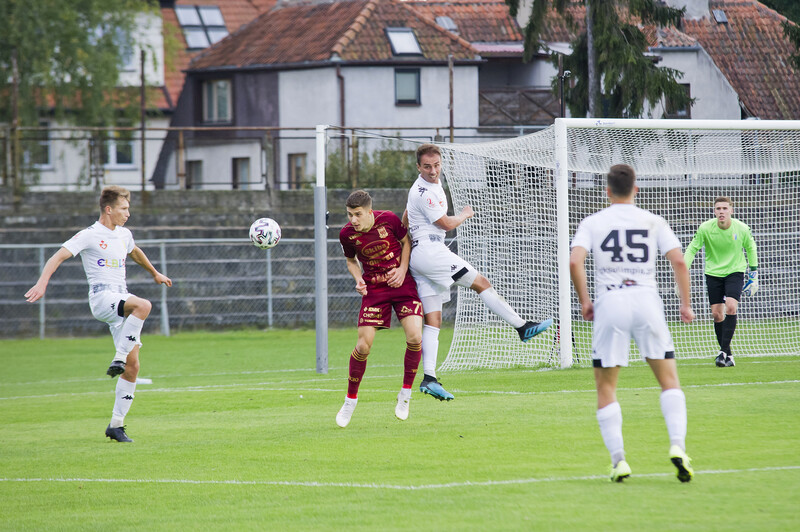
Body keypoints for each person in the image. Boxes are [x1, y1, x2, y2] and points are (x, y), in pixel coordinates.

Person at [569, 164, 696, 483]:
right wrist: (685, 303)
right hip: (647, 301)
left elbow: (575, 260)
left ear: (607, 191)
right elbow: (679, 260)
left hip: (610, 302)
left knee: (606, 386)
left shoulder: (593, 222)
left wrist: (585, 301)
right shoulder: (652, 220)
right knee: (669, 381)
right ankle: (678, 446)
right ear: (635, 189)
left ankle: (619, 461)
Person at [404, 143, 552, 401]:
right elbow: (447, 224)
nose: (432, 170)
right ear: (418, 167)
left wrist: (403, 233)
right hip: (430, 252)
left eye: (436, 165)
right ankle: (522, 327)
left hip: (422, 255)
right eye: (427, 166)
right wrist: (464, 214)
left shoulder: (424, 186)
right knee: (481, 282)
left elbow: (406, 215)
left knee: (434, 321)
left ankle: (429, 378)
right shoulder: (424, 192)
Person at [25, 186, 172, 443]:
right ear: (108, 209)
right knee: (144, 305)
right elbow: (57, 257)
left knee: (133, 366)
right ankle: (117, 358)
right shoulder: (90, 235)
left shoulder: (124, 234)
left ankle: (116, 425)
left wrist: (154, 273)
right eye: (123, 209)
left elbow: (135, 251)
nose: (128, 213)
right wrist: (41, 283)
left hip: (120, 299)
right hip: (103, 298)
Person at [336, 190, 424, 428]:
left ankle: (405, 395)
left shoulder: (389, 219)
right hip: (375, 290)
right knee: (363, 345)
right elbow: (351, 261)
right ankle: (350, 400)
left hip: (401, 284)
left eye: (358, 214)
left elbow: (407, 242)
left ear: (369, 211)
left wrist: (403, 269)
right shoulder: (346, 234)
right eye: (350, 215)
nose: (353, 220)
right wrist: (358, 279)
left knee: (415, 337)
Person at [683, 196, 758, 368]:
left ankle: (722, 352)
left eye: (725, 208)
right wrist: (682, 270)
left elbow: (751, 248)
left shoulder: (742, 228)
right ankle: (729, 355)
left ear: (731, 210)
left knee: (731, 306)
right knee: (717, 314)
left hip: (735, 271)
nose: (721, 211)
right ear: (714, 211)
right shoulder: (705, 228)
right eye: (718, 209)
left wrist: (753, 274)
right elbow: (692, 249)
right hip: (713, 273)